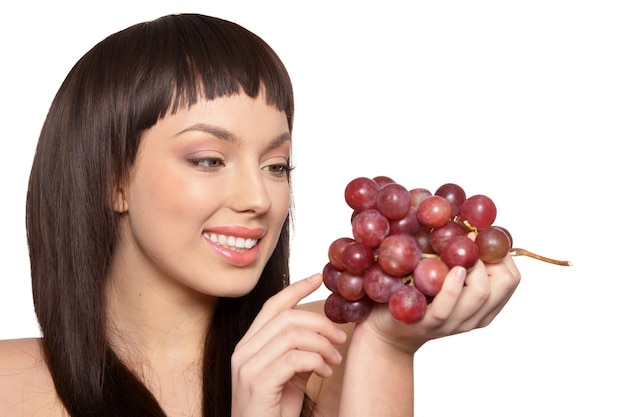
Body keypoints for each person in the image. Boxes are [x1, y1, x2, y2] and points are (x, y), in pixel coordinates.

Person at [0, 13, 521, 417]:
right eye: (209, 160)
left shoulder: (329, 351)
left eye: (276, 164)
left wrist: (388, 349)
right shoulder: (10, 386)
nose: (259, 198)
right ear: (113, 180)